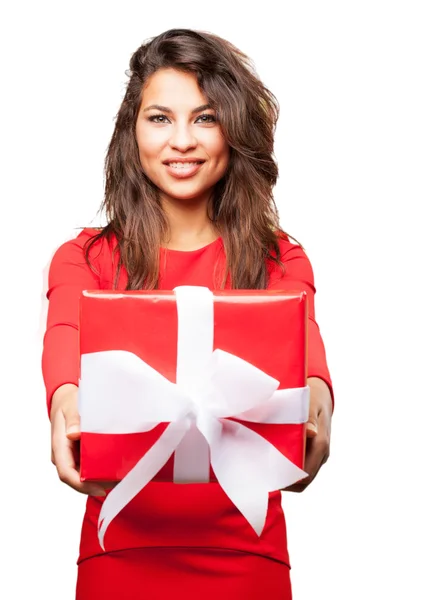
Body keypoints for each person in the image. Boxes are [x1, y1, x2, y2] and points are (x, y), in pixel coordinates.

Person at [42, 28, 333, 600]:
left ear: (233, 129)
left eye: (204, 118)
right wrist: (66, 409)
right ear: (133, 132)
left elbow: (308, 354)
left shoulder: (280, 258)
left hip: (245, 552)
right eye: (159, 118)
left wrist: (316, 413)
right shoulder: (83, 258)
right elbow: (66, 341)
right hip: (120, 549)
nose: (181, 141)